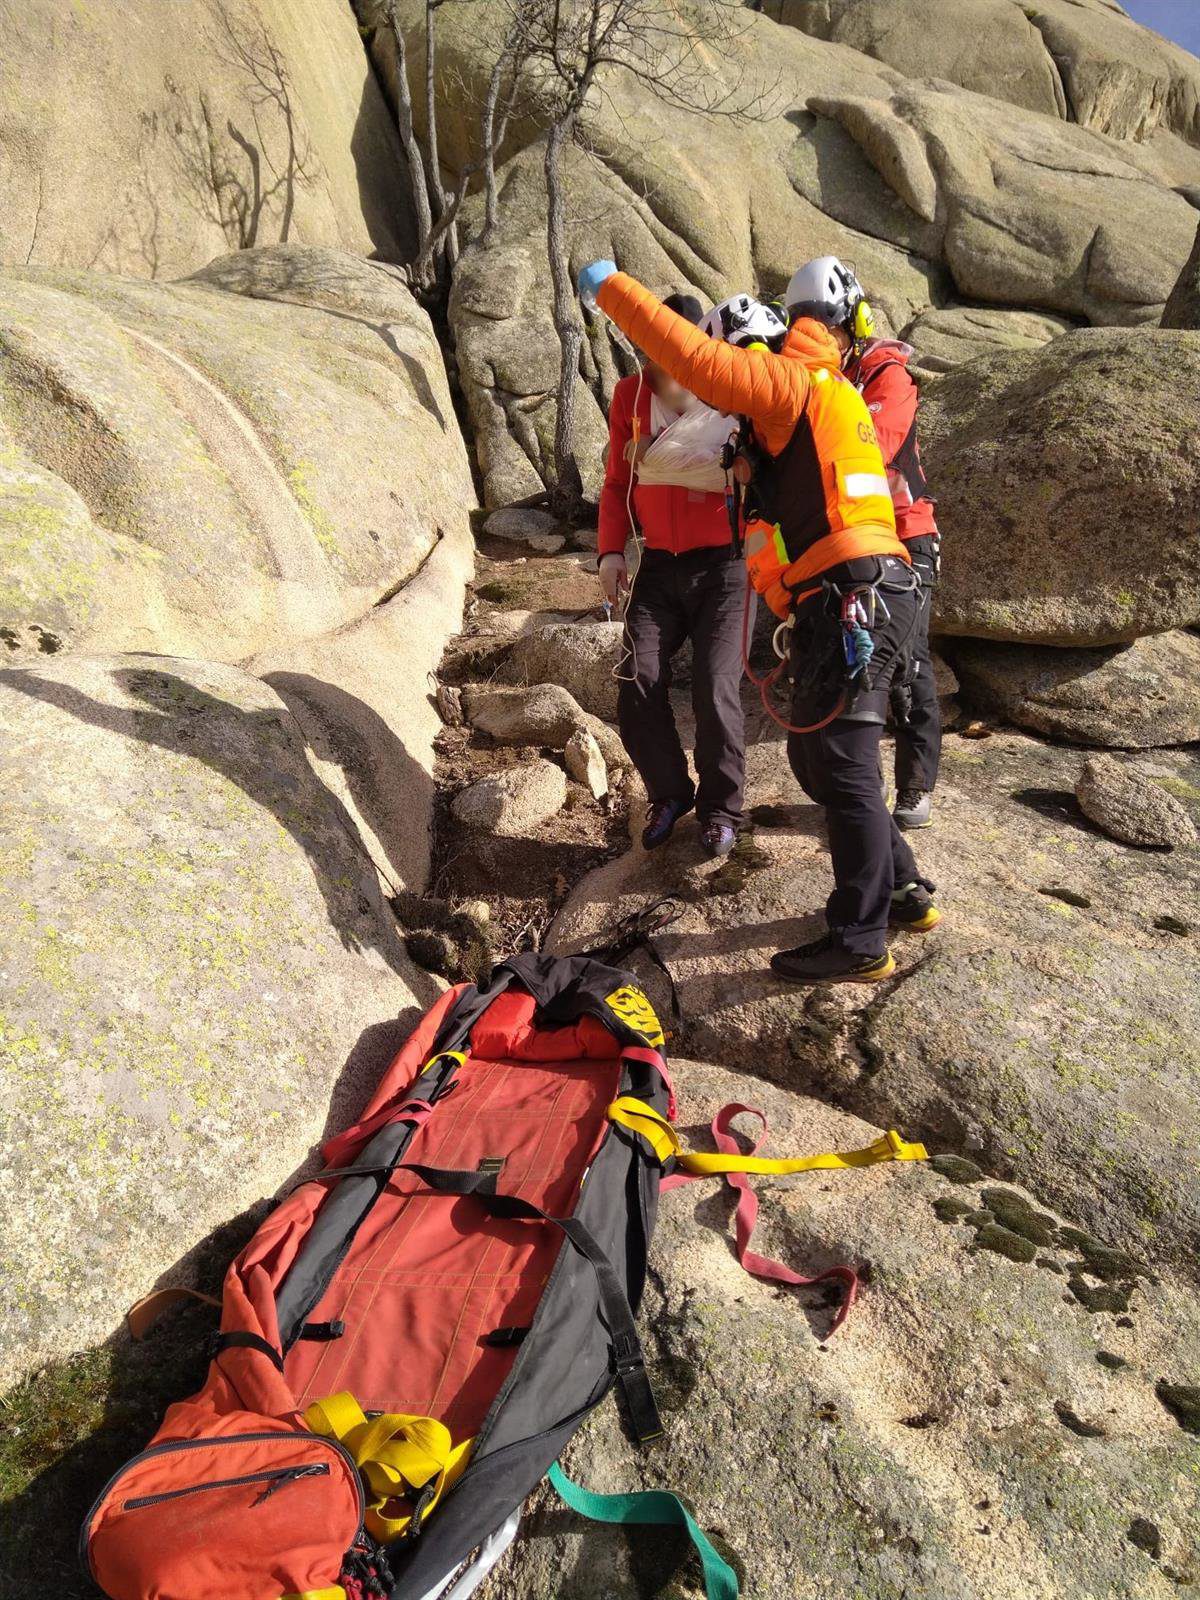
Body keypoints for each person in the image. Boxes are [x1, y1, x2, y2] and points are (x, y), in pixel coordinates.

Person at [577, 259, 941, 984]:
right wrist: (786, 609)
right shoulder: (810, 409)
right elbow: (769, 540)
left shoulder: (790, 383)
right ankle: (901, 890)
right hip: (845, 591)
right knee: (815, 756)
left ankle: (862, 935)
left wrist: (612, 288)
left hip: (857, 589)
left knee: (840, 761)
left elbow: (691, 357)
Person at [785, 257, 941, 830]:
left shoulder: (888, 378)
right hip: (846, 543)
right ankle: (855, 788)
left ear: (854, 321)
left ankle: (914, 785)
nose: (818, 338)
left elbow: (868, 445)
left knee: (907, 659)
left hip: (905, 534)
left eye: (827, 326)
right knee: (844, 663)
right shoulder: (821, 381)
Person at [598, 291, 746, 859]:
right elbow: (617, 482)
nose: (666, 368)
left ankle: (721, 810)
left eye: (678, 352)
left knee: (715, 686)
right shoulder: (630, 396)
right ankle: (669, 793)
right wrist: (612, 553)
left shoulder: (730, 391)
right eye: (656, 354)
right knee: (637, 678)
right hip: (659, 561)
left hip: (725, 563)